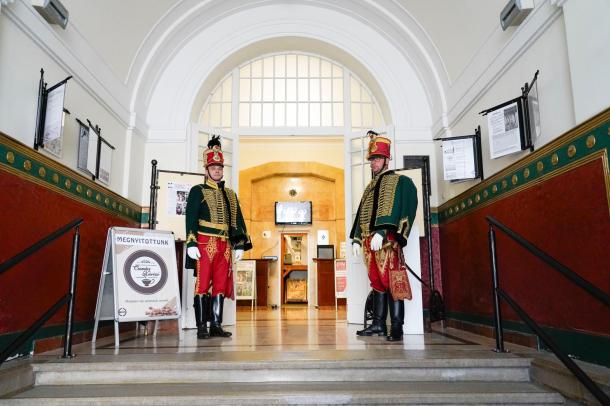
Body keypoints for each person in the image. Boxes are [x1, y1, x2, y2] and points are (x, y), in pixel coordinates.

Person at [349, 131, 418, 341]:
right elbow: (363, 213)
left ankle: (397, 327)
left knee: (392, 281)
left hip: (386, 241)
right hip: (369, 243)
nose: (373, 163)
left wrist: (384, 232)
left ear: (387, 160)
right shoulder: (369, 187)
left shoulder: (401, 182)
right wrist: (357, 238)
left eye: (377, 159)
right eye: (372, 159)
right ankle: (378, 324)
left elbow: (406, 208)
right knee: (376, 282)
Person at [185, 135, 252, 339]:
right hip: (204, 243)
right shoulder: (198, 190)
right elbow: (191, 217)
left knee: (221, 284)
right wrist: (191, 242)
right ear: (206, 170)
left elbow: (237, 219)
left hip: (224, 245)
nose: (217, 170)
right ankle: (202, 327)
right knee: (203, 284)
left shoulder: (230, 194)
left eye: (220, 168)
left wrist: (239, 245)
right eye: (213, 167)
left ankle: (216, 325)